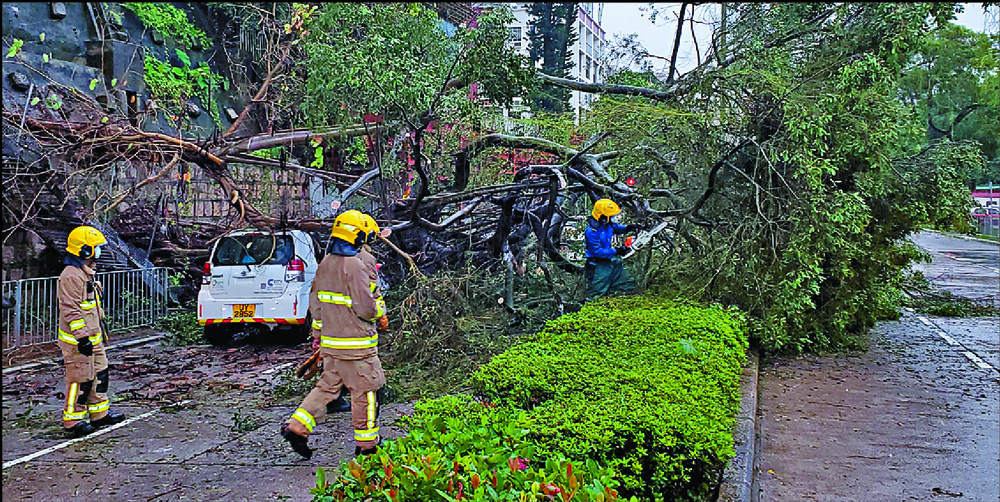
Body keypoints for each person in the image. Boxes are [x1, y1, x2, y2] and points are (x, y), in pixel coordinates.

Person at [281, 210, 387, 459]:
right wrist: (380, 310)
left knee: (327, 388)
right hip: (358, 348)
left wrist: (318, 334)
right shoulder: (356, 266)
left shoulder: (325, 262)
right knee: (367, 391)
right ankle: (367, 446)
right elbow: (366, 308)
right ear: (356, 236)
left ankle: (297, 427)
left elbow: (315, 304)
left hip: (331, 346)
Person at [58, 226, 127, 437]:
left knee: (99, 375)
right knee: (80, 380)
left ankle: (99, 414)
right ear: (84, 250)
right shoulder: (70, 276)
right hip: (79, 342)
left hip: (94, 338)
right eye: (96, 248)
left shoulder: (85, 272)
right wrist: (82, 338)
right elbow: (71, 309)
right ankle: (72, 421)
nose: (99, 253)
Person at [323, 212, 388, 414]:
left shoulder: (330, 259)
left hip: (333, 326)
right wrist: (381, 315)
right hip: (356, 329)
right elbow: (370, 296)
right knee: (367, 377)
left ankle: (331, 399)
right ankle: (367, 432)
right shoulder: (365, 260)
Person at [584, 199, 641, 301]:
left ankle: (614, 305)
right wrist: (617, 251)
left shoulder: (607, 224)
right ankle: (589, 312)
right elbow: (597, 252)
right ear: (602, 216)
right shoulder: (591, 231)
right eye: (610, 216)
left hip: (611, 262)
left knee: (627, 284)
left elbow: (616, 228)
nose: (612, 218)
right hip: (598, 266)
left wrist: (629, 228)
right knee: (595, 296)